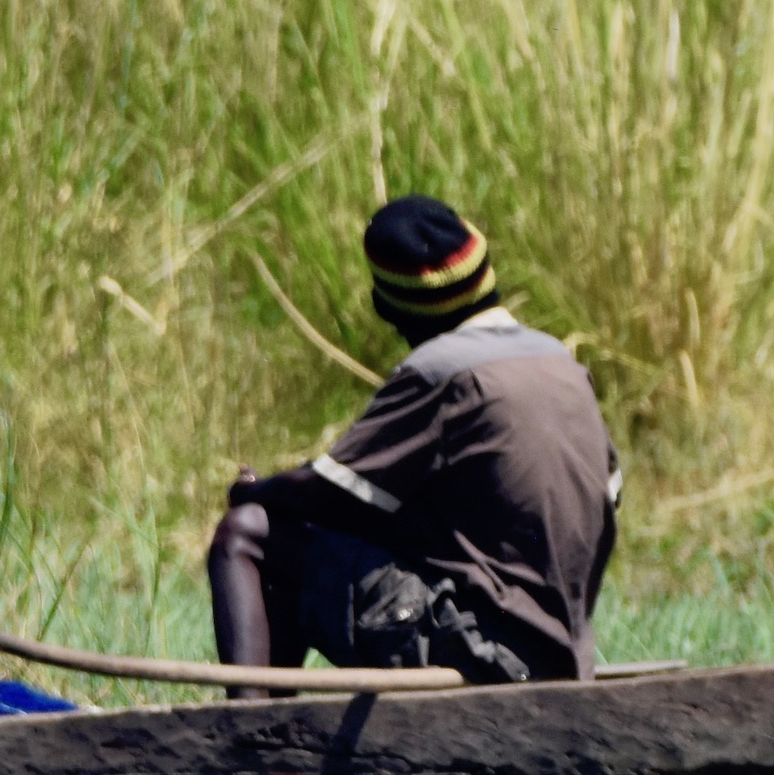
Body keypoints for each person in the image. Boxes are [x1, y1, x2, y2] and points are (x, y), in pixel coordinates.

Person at [209, 196, 621, 691]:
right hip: (565, 656)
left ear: (397, 314)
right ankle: (272, 737)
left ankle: (251, 738)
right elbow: (605, 492)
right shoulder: (561, 365)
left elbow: (330, 491)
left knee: (250, 534)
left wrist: (259, 491)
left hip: (481, 652)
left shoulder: (443, 370)